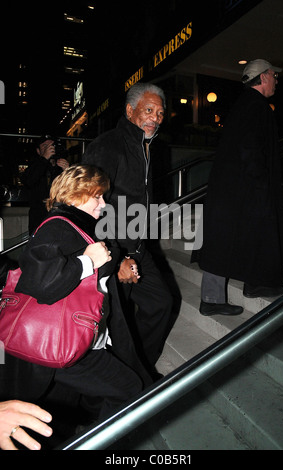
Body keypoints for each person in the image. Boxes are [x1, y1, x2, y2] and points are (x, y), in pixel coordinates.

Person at [0, 165, 152, 447]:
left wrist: (115, 263)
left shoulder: (75, 226)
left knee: (58, 416)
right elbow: (40, 283)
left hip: (66, 343)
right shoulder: (58, 225)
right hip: (60, 344)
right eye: (97, 197)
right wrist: (89, 261)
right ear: (74, 194)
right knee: (129, 389)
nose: (103, 204)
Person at [82, 83, 173, 379]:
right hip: (111, 247)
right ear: (130, 110)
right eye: (148, 110)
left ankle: (139, 368)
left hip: (136, 246)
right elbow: (86, 203)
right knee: (112, 323)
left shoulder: (145, 147)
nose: (155, 118)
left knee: (161, 303)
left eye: (160, 113)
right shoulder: (109, 145)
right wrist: (113, 256)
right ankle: (125, 382)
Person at [191, 59, 283, 316]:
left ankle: (250, 284)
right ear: (262, 77)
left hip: (234, 190)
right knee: (227, 240)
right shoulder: (255, 107)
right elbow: (251, 150)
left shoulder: (245, 105)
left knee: (227, 239)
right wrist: (261, 187)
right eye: (273, 75)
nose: (276, 80)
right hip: (243, 190)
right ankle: (222, 296)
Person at [21, 135, 69, 234]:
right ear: (38, 151)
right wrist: (44, 158)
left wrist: (68, 172)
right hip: (39, 218)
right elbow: (28, 181)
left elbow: (73, 191)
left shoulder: (61, 166)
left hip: (60, 216)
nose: (50, 148)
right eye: (45, 146)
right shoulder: (34, 166)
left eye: (51, 145)